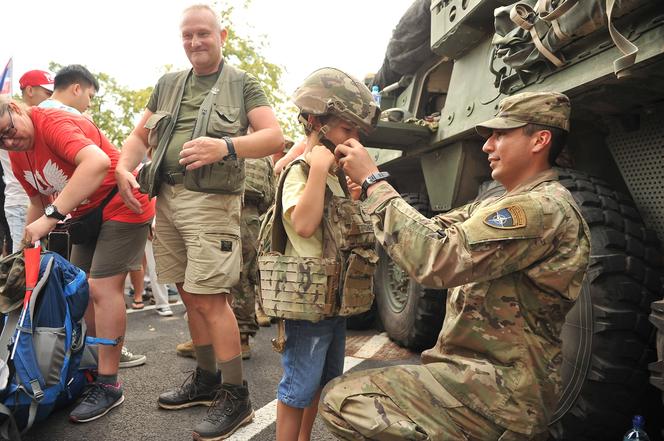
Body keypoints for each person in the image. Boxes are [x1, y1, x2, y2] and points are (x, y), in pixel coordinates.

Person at [319, 92, 591, 440]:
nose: (487, 146)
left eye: (502, 134)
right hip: (470, 380)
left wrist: (375, 182)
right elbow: (429, 232)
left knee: (344, 401)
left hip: (498, 396)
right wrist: (369, 198)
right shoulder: (500, 203)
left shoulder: (541, 209)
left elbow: (436, 259)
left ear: (540, 139)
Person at [115, 5, 283, 439]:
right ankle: (207, 379)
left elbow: (274, 136)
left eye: (203, 34)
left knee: (211, 299)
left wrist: (224, 147)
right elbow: (138, 137)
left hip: (211, 202)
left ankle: (236, 394)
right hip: (166, 198)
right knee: (189, 295)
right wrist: (123, 168)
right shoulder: (168, 85)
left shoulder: (243, 83)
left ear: (221, 35)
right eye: (187, 36)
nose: (194, 43)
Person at [0, 98, 154, 423]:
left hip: (123, 203)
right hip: (87, 216)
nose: (10, 141)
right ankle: (96, 366)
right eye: (1, 140)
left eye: (9, 131)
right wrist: (25, 251)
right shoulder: (17, 155)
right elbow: (37, 202)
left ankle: (110, 384)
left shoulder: (51, 123)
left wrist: (51, 217)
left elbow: (96, 163)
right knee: (79, 289)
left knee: (102, 288)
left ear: (16, 108)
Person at [269, 68, 379, 441]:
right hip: (307, 304)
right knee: (297, 386)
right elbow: (302, 225)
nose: (354, 140)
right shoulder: (302, 171)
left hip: (333, 302)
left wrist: (353, 199)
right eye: (348, 130)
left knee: (321, 382)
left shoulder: (331, 175)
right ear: (317, 122)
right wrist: (316, 171)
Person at [36, 64, 147, 370]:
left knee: (89, 287)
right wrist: (52, 214)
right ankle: (99, 358)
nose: (88, 104)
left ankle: (98, 362)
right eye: (89, 95)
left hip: (97, 209)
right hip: (85, 209)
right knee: (94, 288)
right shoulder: (64, 117)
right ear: (76, 88)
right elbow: (95, 164)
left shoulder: (37, 119)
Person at [176, 155, 275, 359]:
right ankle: (238, 338)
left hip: (220, 213)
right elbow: (269, 196)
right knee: (244, 278)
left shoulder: (219, 146)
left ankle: (210, 339)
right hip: (250, 216)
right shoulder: (262, 156)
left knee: (217, 276)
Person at [0, 70, 52, 252]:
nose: (52, 98)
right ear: (30, 90)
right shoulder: (10, 124)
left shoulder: (42, 121)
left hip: (42, 203)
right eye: (47, 93)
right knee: (23, 263)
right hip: (23, 201)